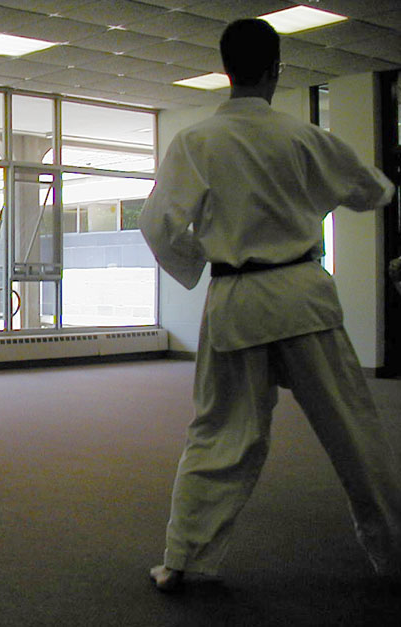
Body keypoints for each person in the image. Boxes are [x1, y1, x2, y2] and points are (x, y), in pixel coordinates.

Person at [139, 18, 400, 592]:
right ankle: (394, 551)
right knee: (355, 432)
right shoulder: (302, 137)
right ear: (276, 69)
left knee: (220, 433)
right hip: (303, 295)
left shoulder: (197, 141)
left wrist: (201, 258)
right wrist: (318, 197)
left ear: (226, 69)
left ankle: (185, 559)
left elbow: (157, 225)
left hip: (236, 298)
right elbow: (373, 190)